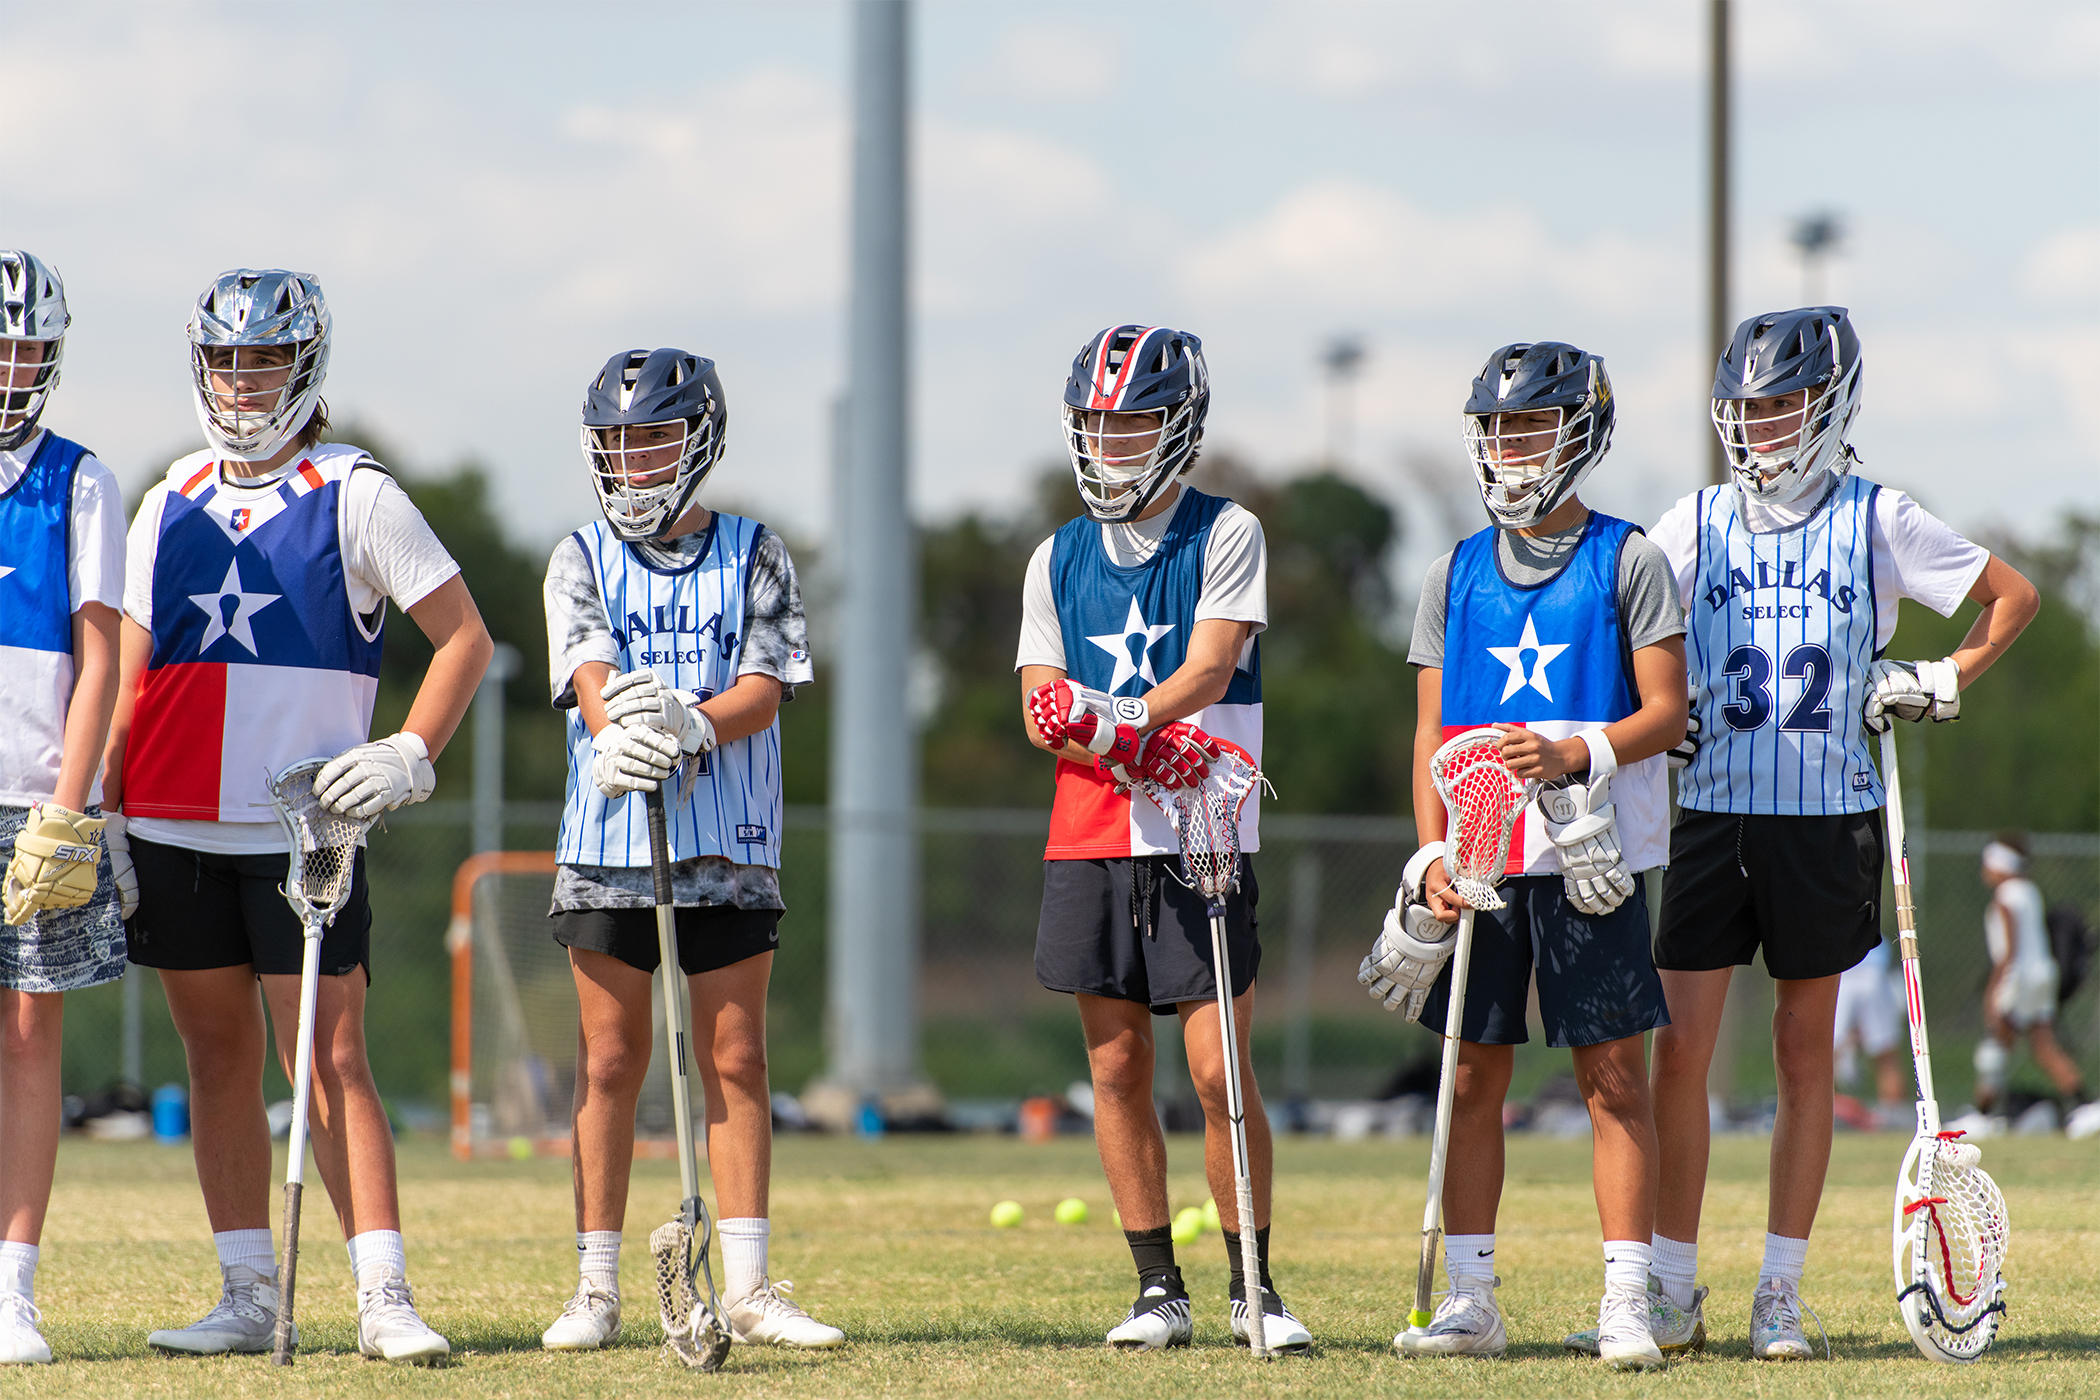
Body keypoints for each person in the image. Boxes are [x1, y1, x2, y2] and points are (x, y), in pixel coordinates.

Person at [102, 269, 491, 1362]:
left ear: (304, 364)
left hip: (302, 831)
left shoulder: (358, 491)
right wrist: (110, 813)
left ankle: (384, 1294)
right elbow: (133, 669)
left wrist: (411, 752)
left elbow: (464, 638)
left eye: (262, 360)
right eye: (226, 361)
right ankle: (246, 1289)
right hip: (174, 827)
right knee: (214, 1056)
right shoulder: (167, 494)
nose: (241, 381)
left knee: (328, 1059)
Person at [1642, 307, 2037, 1360]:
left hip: (1826, 816)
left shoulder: (1877, 517)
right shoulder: (1692, 523)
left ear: (1828, 406)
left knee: (1802, 1053)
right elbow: (1630, 634)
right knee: (1679, 1052)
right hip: (1713, 811)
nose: (1761, 427)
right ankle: (1670, 1287)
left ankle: (1781, 1290)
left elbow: (2012, 595)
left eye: (1781, 405)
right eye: (1748, 407)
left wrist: (1944, 672)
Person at [1361, 343, 1686, 1370]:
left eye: (1532, 427)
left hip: (1592, 853)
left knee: (1613, 1080)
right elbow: (1429, 734)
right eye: (1499, 429)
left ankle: (1627, 1297)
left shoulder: (1628, 557)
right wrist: (1429, 854)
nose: (1511, 448)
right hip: (1480, 863)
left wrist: (1572, 748)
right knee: (1468, 1078)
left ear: (1579, 432)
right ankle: (1471, 1296)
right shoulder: (1453, 570)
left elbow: (1668, 711)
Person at [536, 348, 837, 1353]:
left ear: (698, 437)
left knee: (737, 1054)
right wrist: (620, 726)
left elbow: (766, 683)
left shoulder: (757, 551)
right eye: (618, 441)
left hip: (729, 838)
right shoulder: (578, 553)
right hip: (610, 838)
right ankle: (595, 1287)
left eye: (654, 436)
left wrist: (693, 721)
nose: (635, 458)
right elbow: (587, 671)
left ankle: (747, 1285)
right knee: (610, 1059)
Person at [1019, 324, 1308, 1353]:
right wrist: (1097, 724)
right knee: (1114, 1068)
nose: (1113, 443)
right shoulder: (1055, 553)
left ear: (1180, 426)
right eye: (1099, 424)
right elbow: (1037, 705)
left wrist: (1112, 721)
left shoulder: (1226, 531)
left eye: (1135, 421)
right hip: (1091, 829)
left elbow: (1213, 666)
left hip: (1203, 826)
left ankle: (1254, 1286)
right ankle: (1158, 1287)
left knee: (1220, 1067)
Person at [0, 251, 130, 1366]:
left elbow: (100, 661)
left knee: (32, 1031)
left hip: (31, 794)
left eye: (26, 344)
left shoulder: (81, 478)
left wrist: (66, 806)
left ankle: (13, 1288)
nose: (11, 364)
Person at [1973, 832, 2087, 1118]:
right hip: (2043, 974)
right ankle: (2084, 1103)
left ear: (2001, 866)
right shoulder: (2030, 890)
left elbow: (2008, 952)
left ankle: (1983, 1113)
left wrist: (1992, 991)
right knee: (2044, 1046)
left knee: (1996, 1044)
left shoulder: (2005, 897)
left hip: (2018, 978)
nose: (1985, 871)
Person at [1831, 938, 1906, 1127]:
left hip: (1839, 967)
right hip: (1873, 966)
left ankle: (1820, 1122)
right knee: (1885, 1055)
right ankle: (1892, 1122)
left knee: (1826, 1054)